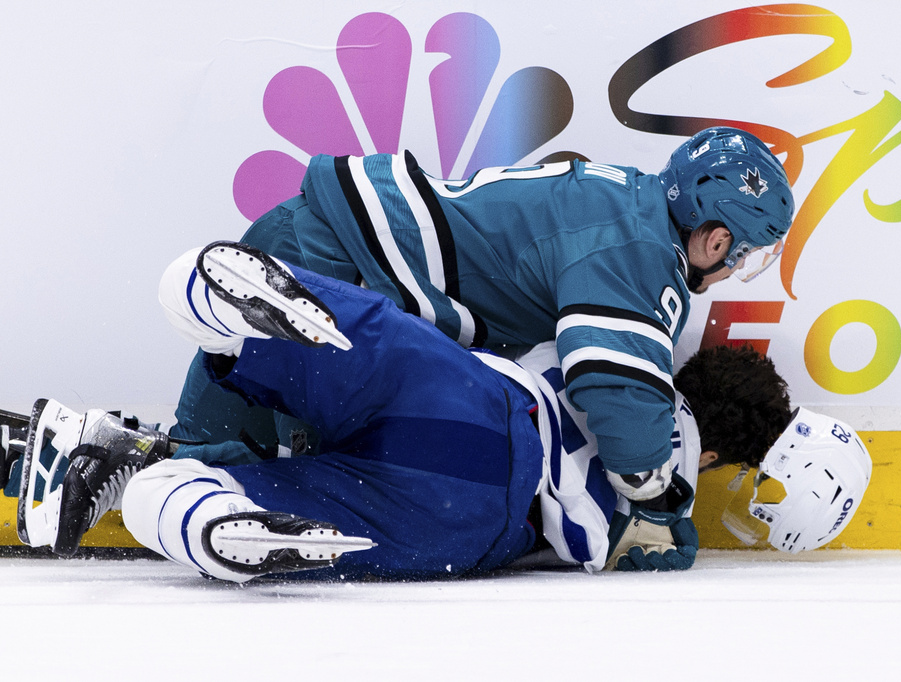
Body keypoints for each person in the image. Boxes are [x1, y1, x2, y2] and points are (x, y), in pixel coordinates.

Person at [20, 241, 819, 581]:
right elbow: (660, 552)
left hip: (478, 398)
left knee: (349, 339)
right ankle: (193, 516)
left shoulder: (625, 354)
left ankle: (202, 295)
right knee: (284, 510)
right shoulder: (669, 503)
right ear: (715, 457)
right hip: (469, 512)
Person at [169, 126, 796, 509]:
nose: (734, 265)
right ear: (715, 240)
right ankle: (144, 476)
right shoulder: (640, 256)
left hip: (318, 244)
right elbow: (617, 391)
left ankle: (129, 463)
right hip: (329, 276)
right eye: (742, 251)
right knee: (232, 470)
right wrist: (658, 492)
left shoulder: (631, 201)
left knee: (209, 456)